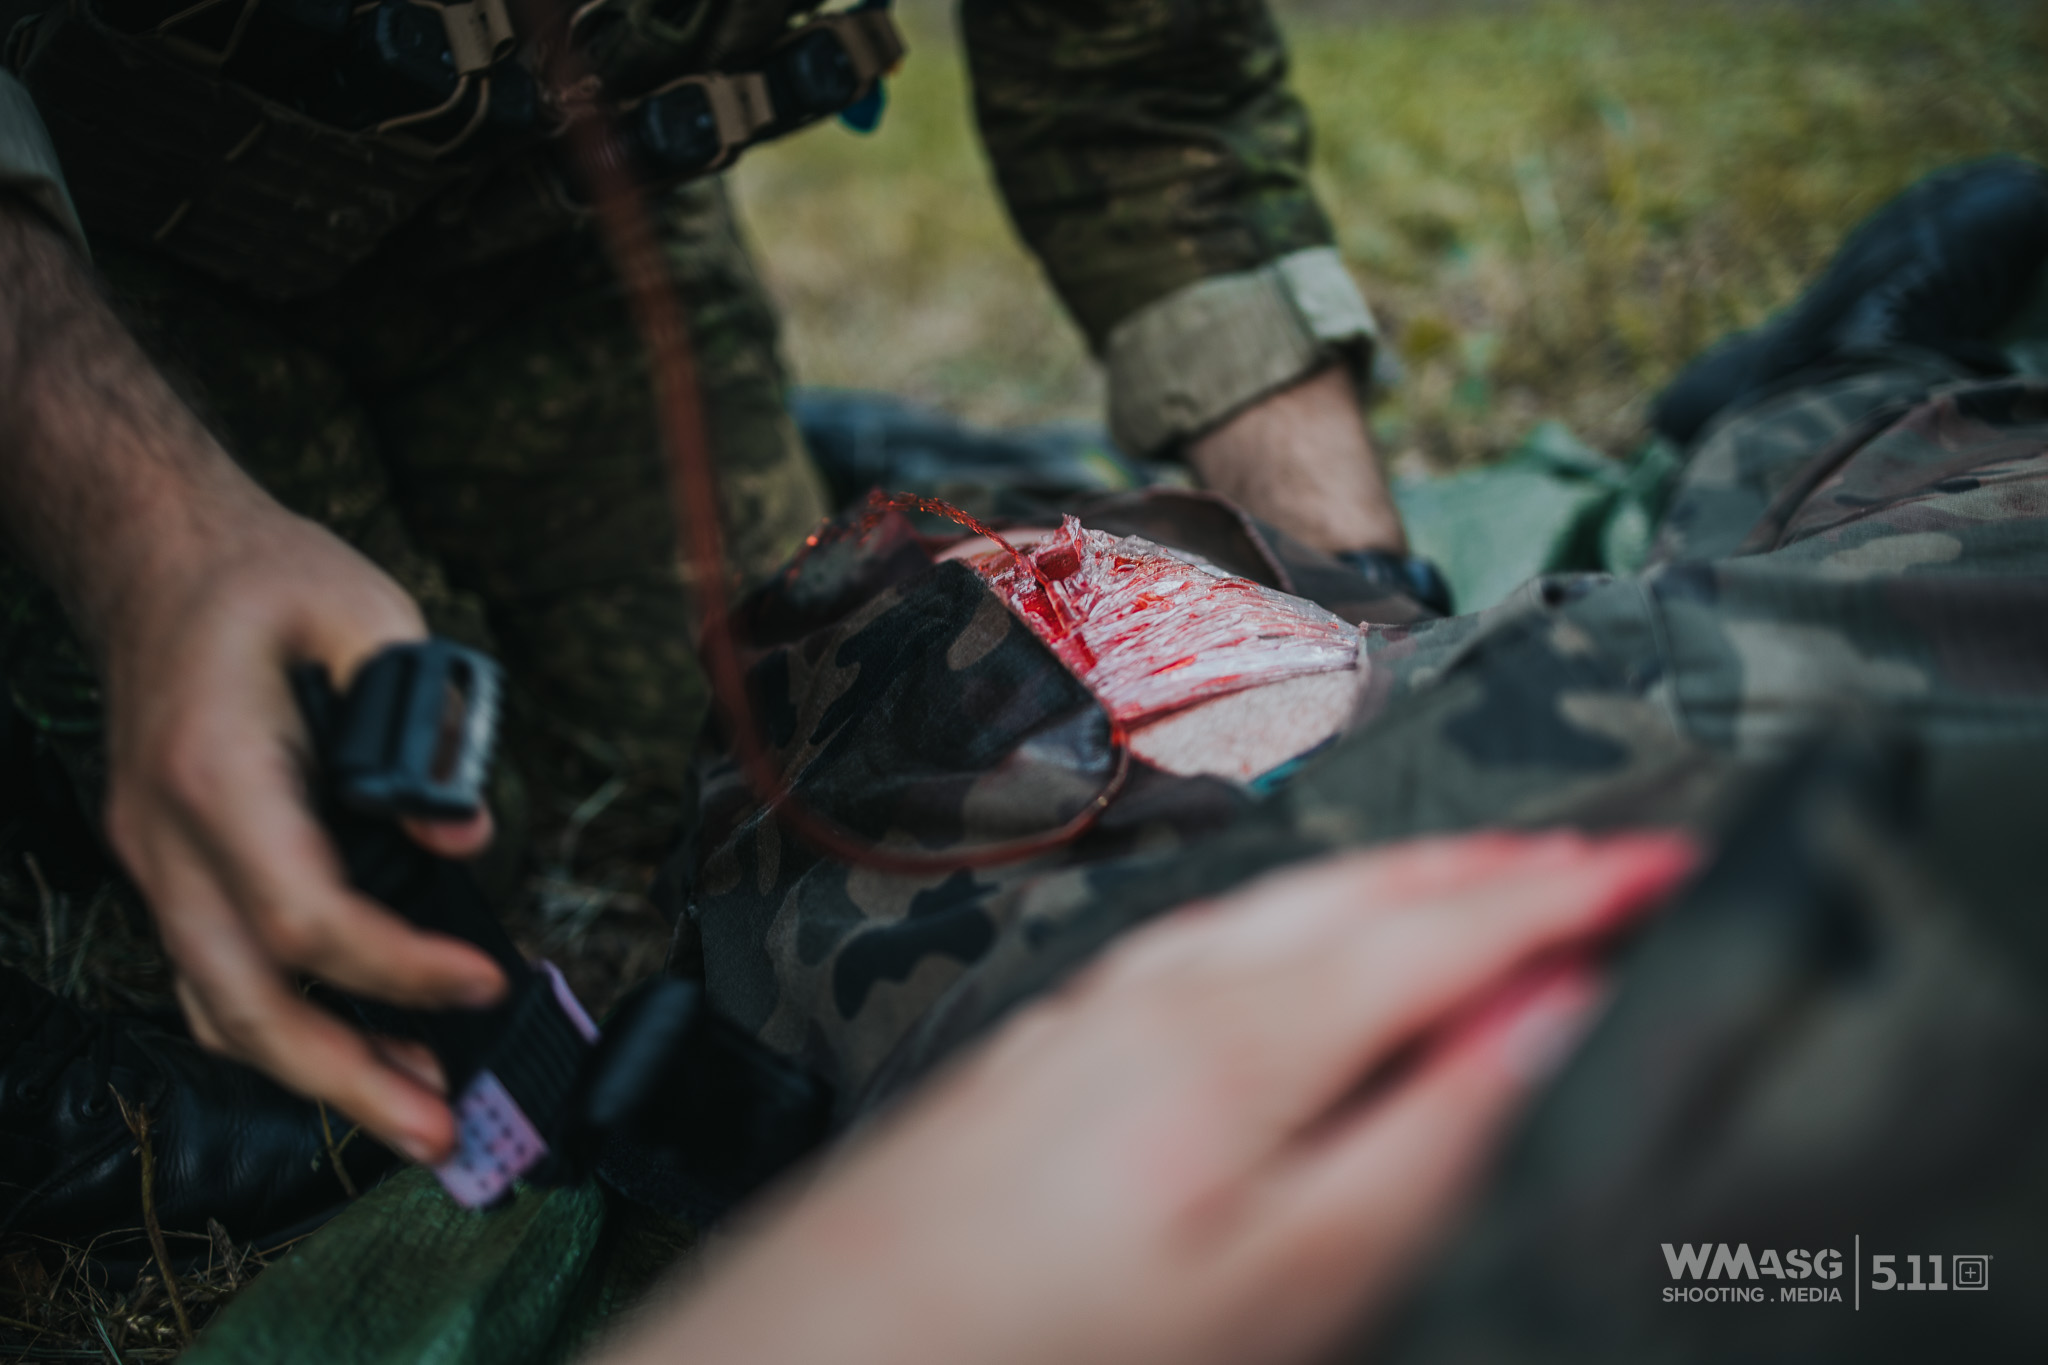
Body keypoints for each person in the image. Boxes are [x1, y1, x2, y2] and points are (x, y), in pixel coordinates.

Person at [0, 0, 1441, 1209]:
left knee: (731, 750)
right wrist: (143, 530)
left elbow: (1150, 99)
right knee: (375, 858)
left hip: (551, 185)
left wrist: (1354, 606)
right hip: (85, 223)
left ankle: (844, 456)